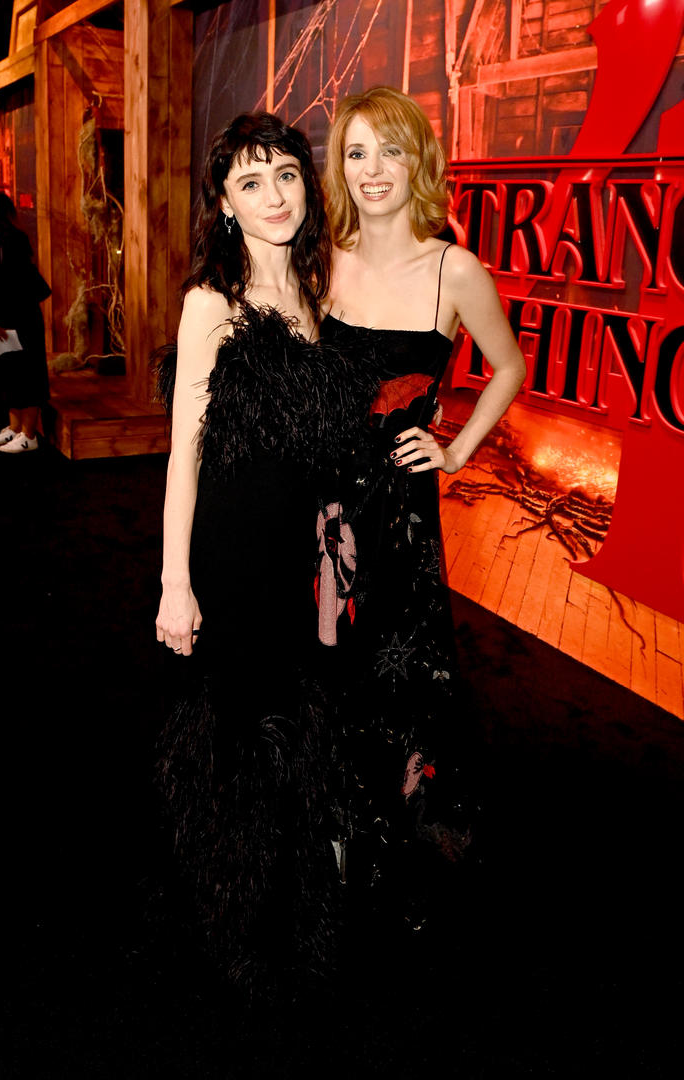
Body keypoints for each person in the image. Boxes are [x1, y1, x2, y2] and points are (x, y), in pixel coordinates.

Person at [154, 113, 377, 996]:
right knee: (237, 736)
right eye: (250, 182)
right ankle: (232, 921)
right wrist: (175, 583)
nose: (274, 195)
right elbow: (184, 454)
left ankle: (294, 904)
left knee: (302, 722)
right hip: (234, 553)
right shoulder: (212, 303)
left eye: (286, 174)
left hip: (304, 557)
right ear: (224, 203)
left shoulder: (322, 293)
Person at [321, 86, 527, 924]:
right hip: (319, 505)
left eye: (391, 150)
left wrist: (456, 447)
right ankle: (334, 825)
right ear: (340, 167)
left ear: (419, 163)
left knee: (397, 673)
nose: (372, 169)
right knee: (326, 663)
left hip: (398, 511)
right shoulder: (322, 260)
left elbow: (508, 367)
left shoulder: (454, 269)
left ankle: (397, 835)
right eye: (356, 152)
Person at [0, 191, 50, 453]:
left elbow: (21, 283)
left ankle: (29, 434)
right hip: (4, 318)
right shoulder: (1, 241)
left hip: (19, 319)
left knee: (26, 375)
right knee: (8, 374)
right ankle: (15, 427)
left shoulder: (13, 241)